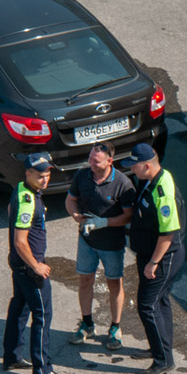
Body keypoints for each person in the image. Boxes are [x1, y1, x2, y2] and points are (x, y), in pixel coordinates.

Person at [2, 152, 68, 374]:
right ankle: (42, 369)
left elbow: (12, 214)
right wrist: (36, 266)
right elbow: (20, 241)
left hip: (20, 265)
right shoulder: (28, 200)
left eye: (48, 174)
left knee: (19, 308)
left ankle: (12, 356)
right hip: (29, 268)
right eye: (40, 176)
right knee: (42, 315)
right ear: (28, 173)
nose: (45, 179)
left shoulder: (22, 190)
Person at [65, 142, 135, 350]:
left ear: (109, 161)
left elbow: (128, 216)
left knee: (114, 284)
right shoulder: (82, 176)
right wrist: (77, 217)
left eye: (95, 161)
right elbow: (70, 200)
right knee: (85, 280)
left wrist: (105, 222)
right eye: (90, 159)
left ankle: (115, 327)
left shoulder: (123, 184)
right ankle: (87, 324)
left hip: (111, 245)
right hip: (86, 241)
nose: (91, 164)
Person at [125, 143, 185, 374]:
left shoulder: (162, 192)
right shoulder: (150, 179)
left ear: (147, 165)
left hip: (162, 257)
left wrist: (153, 262)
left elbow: (168, 234)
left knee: (147, 306)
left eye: (134, 166)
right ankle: (159, 347)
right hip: (148, 252)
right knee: (160, 302)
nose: (132, 170)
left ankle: (163, 361)